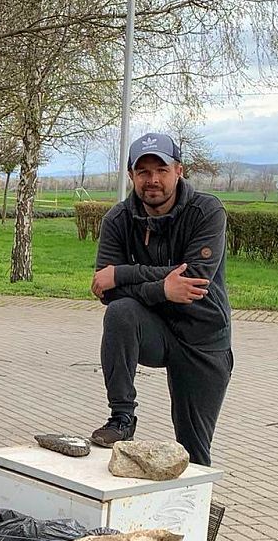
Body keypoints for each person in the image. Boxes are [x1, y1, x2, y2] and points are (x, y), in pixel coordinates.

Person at [89, 132, 233, 467]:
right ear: (131, 176)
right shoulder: (118, 219)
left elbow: (193, 280)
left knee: (193, 454)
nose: (153, 180)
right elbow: (105, 291)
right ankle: (122, 418)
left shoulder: (207, 211)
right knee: (121, 312)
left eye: (161, 170)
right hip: (154, 331)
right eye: (143, 172)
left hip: (203, 340)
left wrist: (124, 274)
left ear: (179, 170)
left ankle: (192, 516)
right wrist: (161, 289)